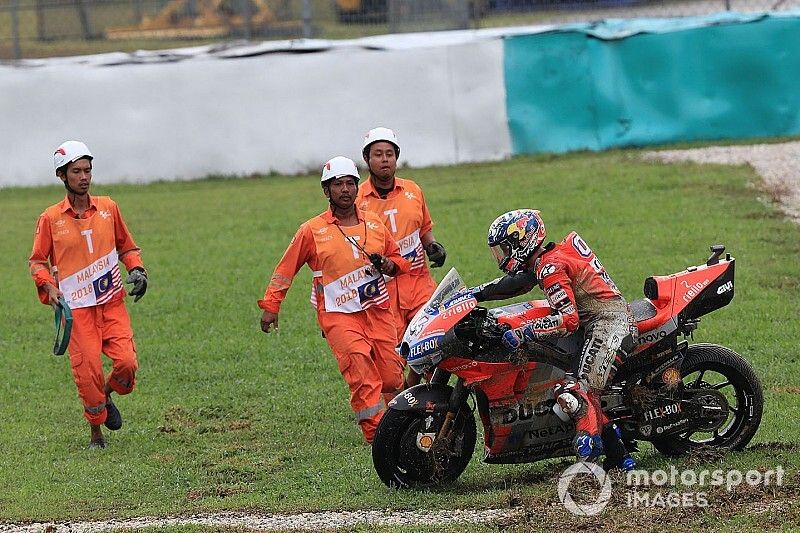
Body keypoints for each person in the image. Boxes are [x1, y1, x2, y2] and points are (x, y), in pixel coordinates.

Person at [258, 156, 410, 444]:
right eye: (337, 185)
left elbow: (399, 261)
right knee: (362, 374)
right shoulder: (311, 230)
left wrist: (390, 266)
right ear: (326, 191)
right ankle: (378, 437)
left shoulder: (375, 224)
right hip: (338, 317)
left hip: (377, 311)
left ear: (357, 187)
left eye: (349, 183)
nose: (344, 190)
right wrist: (271, 306)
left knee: (391, 377)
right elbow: (284, 269)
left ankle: (396, 421)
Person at [470, 209, 637, 470]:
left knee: (575, 392)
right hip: (599, 322)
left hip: (609, 325)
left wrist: (526, 332)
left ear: (522, 241)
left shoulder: (550, 267)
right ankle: (622, 460)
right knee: (580, 391)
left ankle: (588, 466)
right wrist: (472, 295)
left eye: (504, 248)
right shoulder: (548, 259)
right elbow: (514, 285)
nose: (501, 256)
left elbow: (568, 319)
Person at [29, 140, 148, 449]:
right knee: (88, 373)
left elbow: (128, 247)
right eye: (76, 171)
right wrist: (48, 286)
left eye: (88, 170)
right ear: (62, 175)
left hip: (111, 303)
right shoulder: (50, 219)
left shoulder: (109, 208)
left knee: (127, 364)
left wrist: (137, 269)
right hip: (77, 311)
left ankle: (107, 396)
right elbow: (38, 260)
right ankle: (96, 434)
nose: (84, 177)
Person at [356, 127, 446, 385]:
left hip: (418, 283)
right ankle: (399, 407)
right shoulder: (356, 199)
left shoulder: (413, 190)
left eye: (389, 154)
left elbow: (424, 228)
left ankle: (430, 401)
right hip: (381, 292)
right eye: (377, 154)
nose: (384, 159)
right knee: (392, 357)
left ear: (396, 157)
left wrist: (432, 246)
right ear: (367, 159)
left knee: (430, 342)